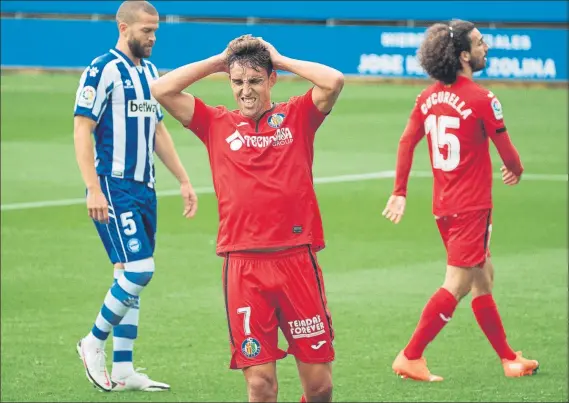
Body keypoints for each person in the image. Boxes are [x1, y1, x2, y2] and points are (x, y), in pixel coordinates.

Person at [151, 34, 344, 402]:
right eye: (237, 82)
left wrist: (280, 57)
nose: (246, 91)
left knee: (320, 388)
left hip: (297, 263)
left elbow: (333, 80)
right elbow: (161, 88)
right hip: (244, 268)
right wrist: (221, 59)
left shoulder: (298, 115)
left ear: (271, 80)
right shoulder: (214, 123)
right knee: (259, 385)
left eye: (255, 81)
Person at [382, 19, 539, 381]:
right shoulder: (483, 98)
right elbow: (509, 156)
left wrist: (400, 191)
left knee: (483, 276)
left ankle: (509, 359)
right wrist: (516, 169)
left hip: (445, 206)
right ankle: (411, 355)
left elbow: (406, 142)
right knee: (458, 283)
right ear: (464, 55)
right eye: (480, 43)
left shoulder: (427, 97)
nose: (487, 48)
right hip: (471, 207)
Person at [73, 0, 197, 392]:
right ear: (124, 29)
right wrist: (93, 187)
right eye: (147, 30)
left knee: (130, 276)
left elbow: (159, 131)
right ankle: (92, 342)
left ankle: (124, 369)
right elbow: (82, 127)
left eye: (156, 30)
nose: (153, 37)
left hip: (145, 186)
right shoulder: (102, 69)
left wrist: (183, 178)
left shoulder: (150, 73)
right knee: (141, 269)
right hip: (114, 184)